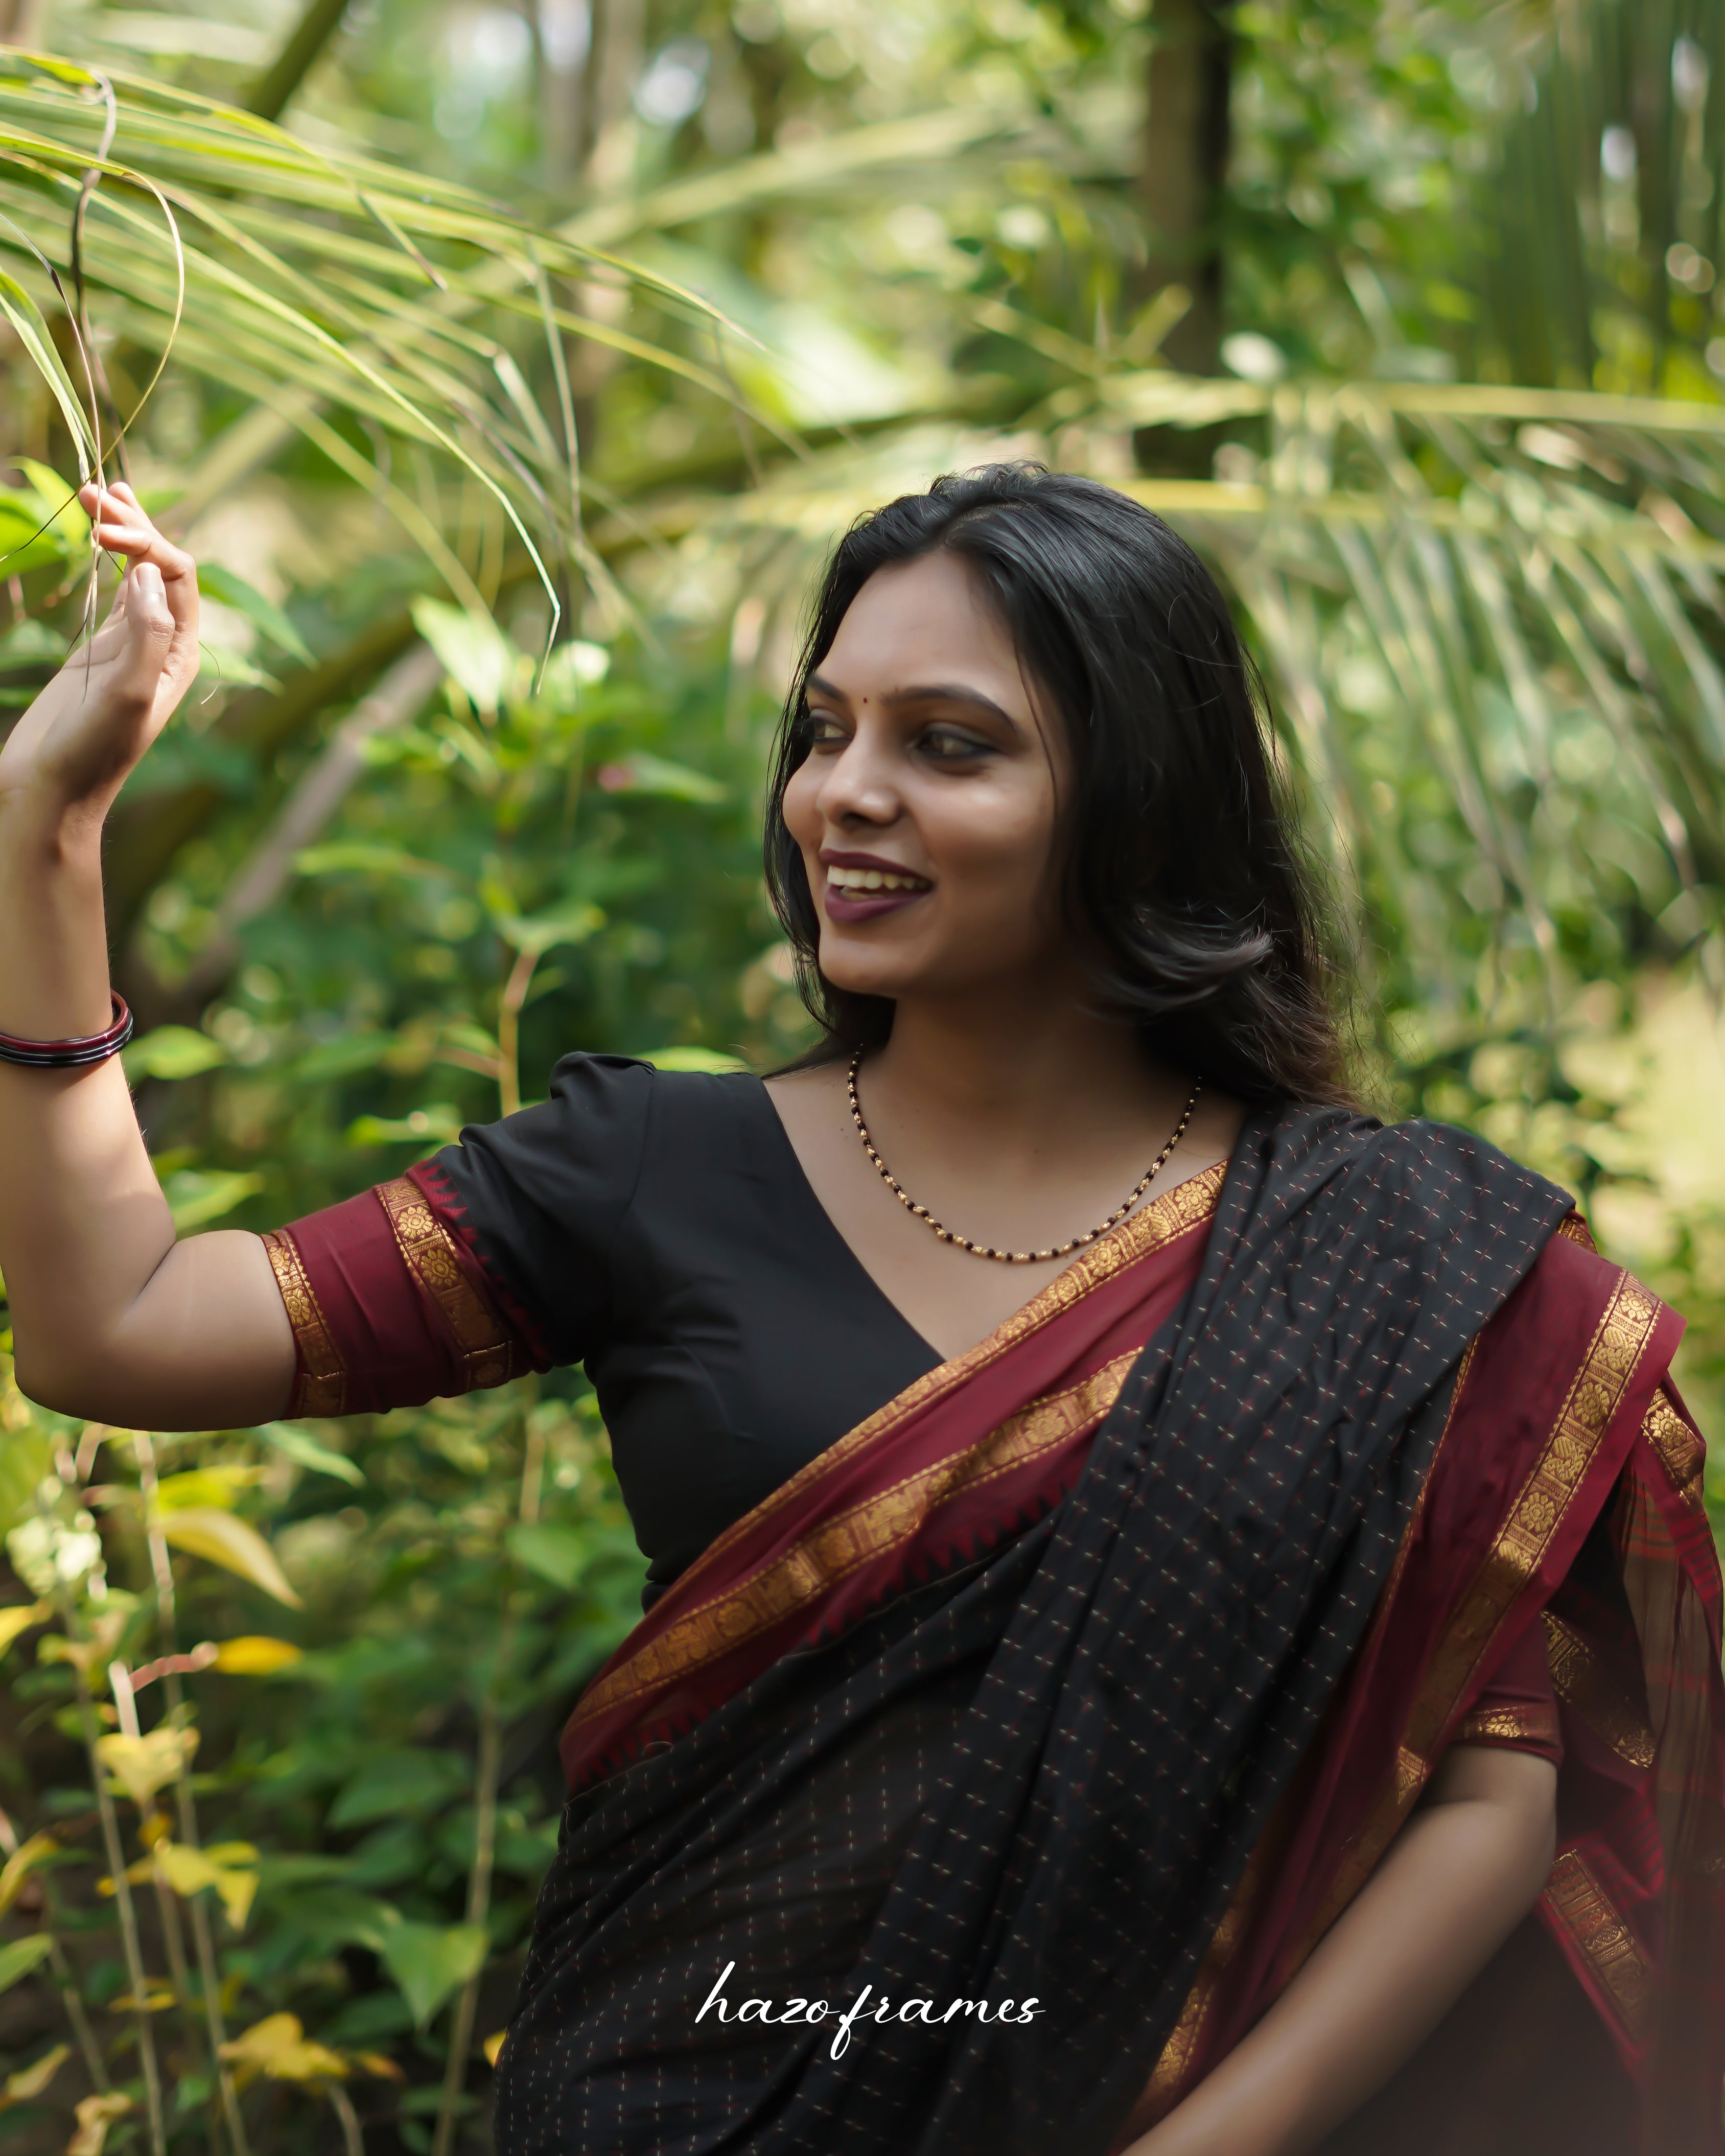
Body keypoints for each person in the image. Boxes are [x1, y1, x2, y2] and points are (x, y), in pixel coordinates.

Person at [0, 467, 1719, 2156]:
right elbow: (122, 1326)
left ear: (1139, 799)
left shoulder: (1388, 1257)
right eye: (825, 732)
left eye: (948, 745)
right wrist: (50, 827)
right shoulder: (649, 1168)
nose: (845, 794)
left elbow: (1500, 1787)